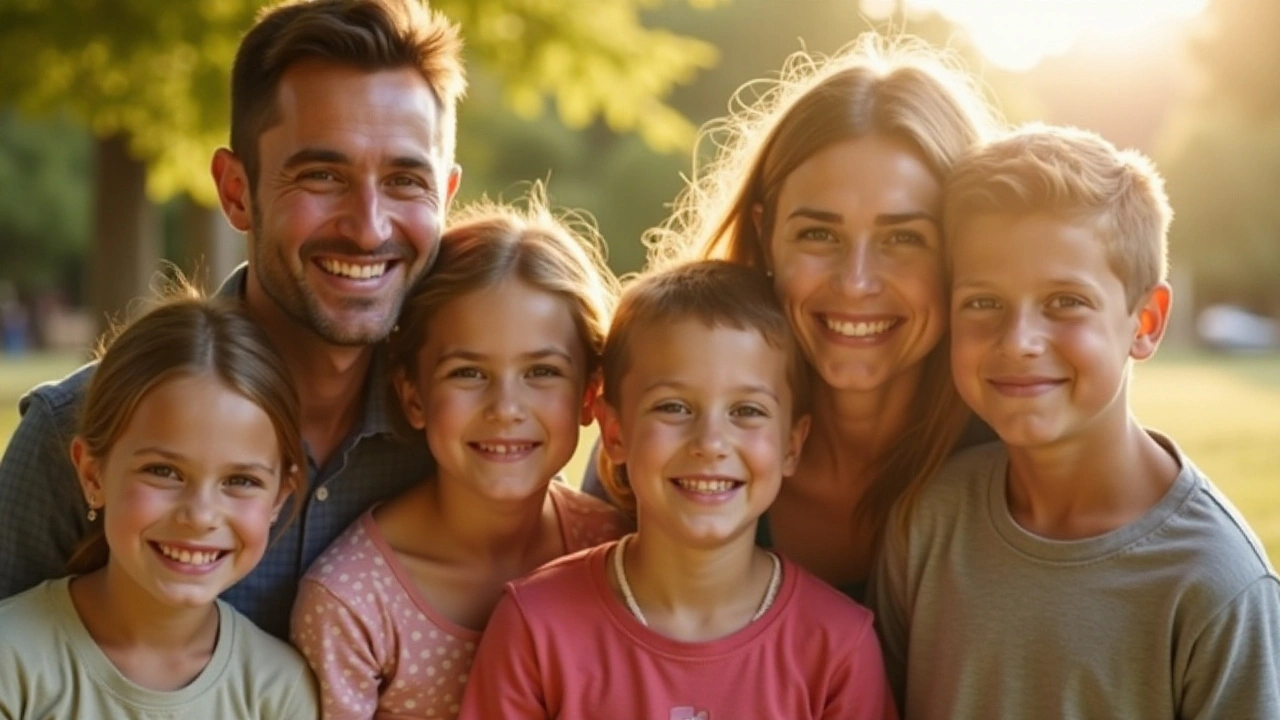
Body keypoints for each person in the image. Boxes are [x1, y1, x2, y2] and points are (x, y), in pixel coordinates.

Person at [0, 0, 466, 638]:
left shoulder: (468, 434)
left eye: (405, 181)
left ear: (446, 196)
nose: (369, 227)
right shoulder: (74, 433)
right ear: (236, 191)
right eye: (323, 175)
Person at [869, 124, 1280, 719]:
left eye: (1066, 301)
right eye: (983, 302)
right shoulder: (929, 522)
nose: (1020, 341)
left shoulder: (1217, 585)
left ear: (1145, 322)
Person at [582, 37, 999, 601]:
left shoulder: (1008, 461)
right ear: (764, 233)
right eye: (818, 234)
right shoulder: (668, 435)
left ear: (962, 250)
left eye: (904, 237)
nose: (855, 281)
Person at [459, 260, 896, 719]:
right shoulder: (536, 626)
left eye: (747, 411)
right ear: (614, 432)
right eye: (673, 407)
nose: (710, 443)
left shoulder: (838, 647)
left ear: (792, 444)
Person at [290, 197, 630, 719]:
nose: (506, 409)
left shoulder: (620, 551)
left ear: (589, 394)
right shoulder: (352, 602)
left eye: (541, 372)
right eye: (468, 373)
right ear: (414, 397)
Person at [0, 292, 319, 717]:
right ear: (93, 476)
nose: (200, 515)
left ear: (279, 497)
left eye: (240, 481)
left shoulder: (278, 692)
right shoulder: (12, 660)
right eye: (164, 472)